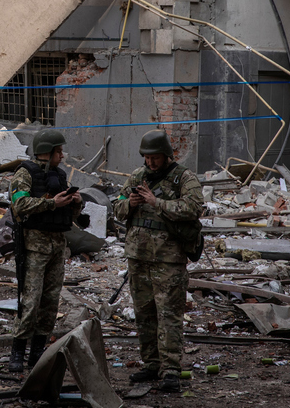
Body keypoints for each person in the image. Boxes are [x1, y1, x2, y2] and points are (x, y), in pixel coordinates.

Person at [114, 129, 203, 392]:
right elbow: (117, 209)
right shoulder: (137, 177)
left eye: (155, 157)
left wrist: (157, 202)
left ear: (166, 155)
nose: (150, 162)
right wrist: (128, 203)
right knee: (144, 315)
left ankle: (171, 370)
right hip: (138, 258)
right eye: (147, 157)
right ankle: (151, 364)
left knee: (169, 316)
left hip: (169, 260)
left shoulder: (183, 178)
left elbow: (194, 207)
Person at [7, 129, 83, 372]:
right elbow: (19, 204)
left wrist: (74, 204)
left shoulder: (59, 176)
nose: (62, 155)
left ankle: (38, 352)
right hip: (34, 248)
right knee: (30, 301)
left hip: (57, 247)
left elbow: (68, 217)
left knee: (50, 303)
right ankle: (17, 352)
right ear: (47, 152)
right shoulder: (24, 173)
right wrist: (52, 202)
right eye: (58, 151)